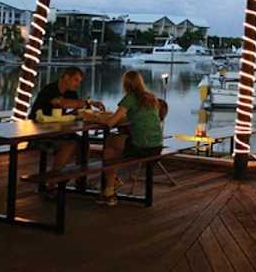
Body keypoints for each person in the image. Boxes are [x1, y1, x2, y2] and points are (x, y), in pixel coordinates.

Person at [97, 71, 165, 206]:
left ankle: (109, 190)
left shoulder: (130, 98)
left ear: (125, 84)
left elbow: (111, 123)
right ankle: (111, 183)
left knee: (110, 146)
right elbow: (142, 118)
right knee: (115, 143)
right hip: (157, 146)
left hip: (142, 147)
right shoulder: (151, 97)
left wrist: (96, 118)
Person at [29, 67, 103, 173]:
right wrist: (88, 103)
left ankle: (80, 180)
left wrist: (88, 113)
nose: (77, 84)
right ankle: (52, 181)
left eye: (79, 81)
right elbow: (62, 103)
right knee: (70, 145)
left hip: (57, 130)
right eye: (76, 80)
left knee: (84, 143)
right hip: (38, 132)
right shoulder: (50, 90)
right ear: (67, 77)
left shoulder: (71, 92)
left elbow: (77, 108)